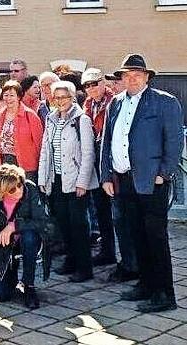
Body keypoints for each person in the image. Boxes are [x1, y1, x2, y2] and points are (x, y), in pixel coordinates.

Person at [100, 54, 182, 313]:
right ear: (121, 79)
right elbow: (106, 141)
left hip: (151, 181)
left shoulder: (164, 102)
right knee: (135, 235)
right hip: (123, 180)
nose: (131, 79)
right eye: (127, 75)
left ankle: (164, 293)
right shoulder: (115, 103)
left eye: (137, 74)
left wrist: (165, 173)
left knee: (155, 238)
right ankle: (145, 284)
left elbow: (175, 141)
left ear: (147, 77)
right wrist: (105, 175)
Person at [37, 81, 97, 283]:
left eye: (64, 97)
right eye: (56, 97)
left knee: (79, 226)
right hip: (57, 180)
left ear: (72, 98)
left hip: (76, 180)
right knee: (64, 224)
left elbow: (88, 154)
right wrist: (42, 178)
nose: (60, 101)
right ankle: (71, 261)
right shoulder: (50, 119)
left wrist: (83, 182)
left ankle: (84, 267)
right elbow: (45, 150)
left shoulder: (83, 120)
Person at [0, 164, 48, 309]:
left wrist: (14, 225)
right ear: (2, 192)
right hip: (4, 243)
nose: (19, 189)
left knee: (29, 236)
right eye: (12, 189)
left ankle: (29, 285)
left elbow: (43, 222)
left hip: (27, 240)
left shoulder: (30, 189)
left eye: (20, 184)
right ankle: (11, 275)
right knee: (0, 295)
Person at [80, 68, 119, 271]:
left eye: (94, 83)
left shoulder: (114, 102)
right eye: (87, 85)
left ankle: (125, 257)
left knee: (118, 211)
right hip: (94, 158)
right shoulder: (88, 104)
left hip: (111, 161)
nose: (91, 88)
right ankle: (108, 251)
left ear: (103, 82)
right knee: (101, 208)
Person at [0, 80, 43, 181]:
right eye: (6, 95)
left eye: (12, 95)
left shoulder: (30, 115)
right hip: (6, 162)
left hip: (26, 165)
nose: (8, 98)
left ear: (19, 96)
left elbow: (39, 144)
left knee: (26, 195)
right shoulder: (1, 114)